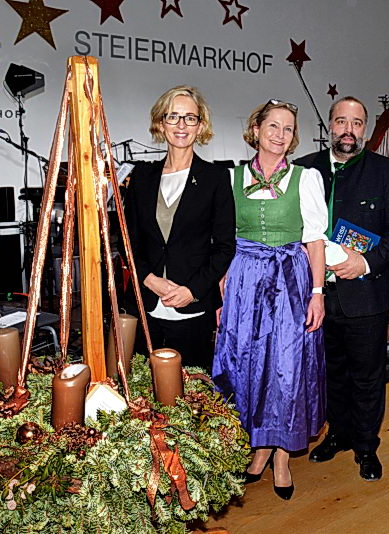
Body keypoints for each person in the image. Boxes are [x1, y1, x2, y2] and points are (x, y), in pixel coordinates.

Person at [211, 99, 328, 500]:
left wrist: (317, 293)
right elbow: (223, 238)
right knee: (249, 365)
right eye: (273, 126)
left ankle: (281, 455)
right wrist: (223, 281)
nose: (280, 134)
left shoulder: (305, 178)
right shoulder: (231, 178)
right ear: (256, 129)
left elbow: (315, 241)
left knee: (287, 368)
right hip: (245, 281)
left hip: (290, 280)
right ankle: (259, 446)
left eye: (288, 128)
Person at [294, 97, 389, 481]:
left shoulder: (386, 172)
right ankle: (338, 434)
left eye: (356, 123)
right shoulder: (302, 169)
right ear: (330, 125)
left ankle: (366, 446)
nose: (348, 130)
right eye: (341, 121)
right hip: (314, 297)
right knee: (330, 374)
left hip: (365, 295)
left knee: (367, 376)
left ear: (364, 129)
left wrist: (367, 262)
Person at [125, 85, 235, 369]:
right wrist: (149, 279)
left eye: (190, 118)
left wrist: (192, 290)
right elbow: (127, 241)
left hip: (193, 308)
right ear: (161, 123)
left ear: (200, 126)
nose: (182, 125)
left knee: (191, 390)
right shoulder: (141, 177)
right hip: (145, 305)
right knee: (142, 386)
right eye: (173, 116)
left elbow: (224, 248)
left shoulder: (216, 178)